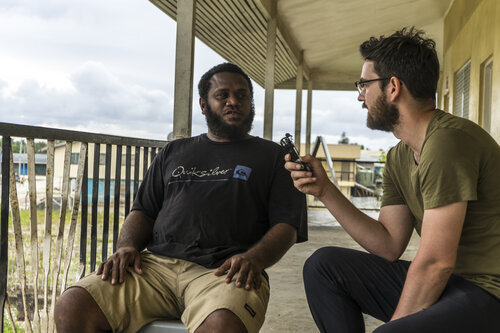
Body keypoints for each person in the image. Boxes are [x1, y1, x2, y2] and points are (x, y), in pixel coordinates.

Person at [55, 62, 307, 333]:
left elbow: (287, 225)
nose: (233, 101)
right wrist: (126, 246)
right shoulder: (173, 152)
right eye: (223, 95)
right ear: (203, 104)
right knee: (73, 304)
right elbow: (143, 210)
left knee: (222, 324)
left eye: (242, 95)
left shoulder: (275, 158)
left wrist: (255, 259)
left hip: (225, 272)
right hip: (153, 268)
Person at [285, 27, 500, 332]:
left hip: (488, 293)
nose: (360, 96)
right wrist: (324, 190)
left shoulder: (447, 142)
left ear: (393, 87)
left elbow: (437, 262)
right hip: (451, 286)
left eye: (364, 84)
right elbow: (388, 244)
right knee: (323, 267)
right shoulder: (400, 156)